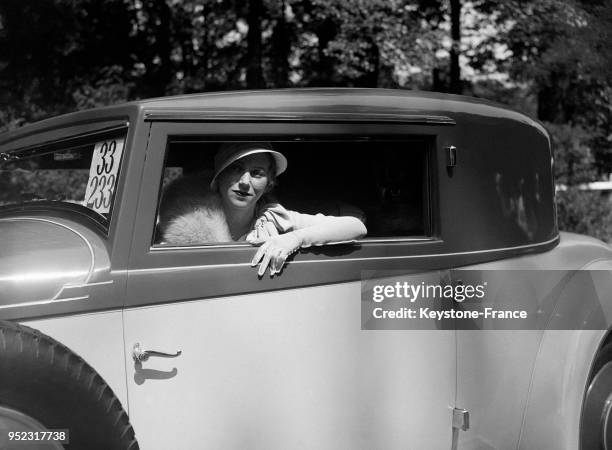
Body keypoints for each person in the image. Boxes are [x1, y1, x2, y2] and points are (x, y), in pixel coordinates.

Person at [158, 142, 367, 276]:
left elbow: (356, 226)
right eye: (236, 169)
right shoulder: (182, 221)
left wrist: (294, 239)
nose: (244, 182)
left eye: (257, 173)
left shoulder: (274, 217)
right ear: (218, 178)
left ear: (268, 184)